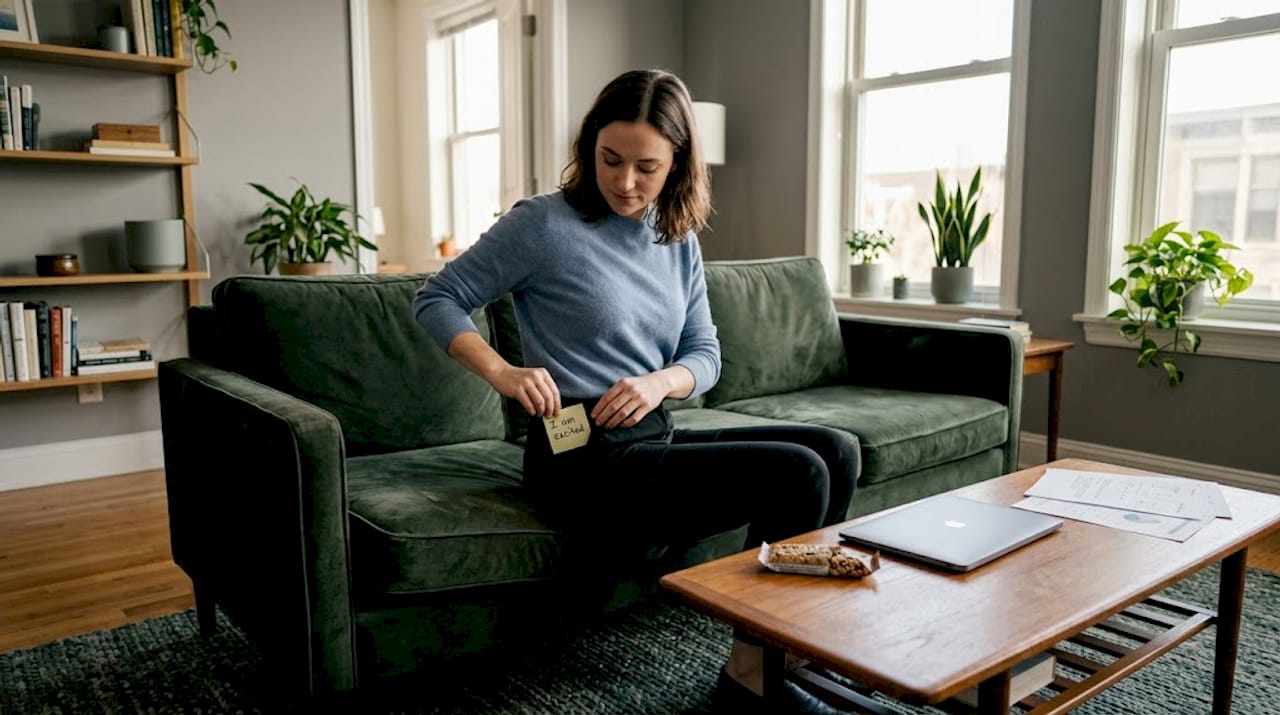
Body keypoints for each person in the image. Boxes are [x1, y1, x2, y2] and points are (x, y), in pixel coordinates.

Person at [413, 68, 858, 706]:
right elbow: (438, 297)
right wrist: (503, 373)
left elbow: (705, 354)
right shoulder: (543, 224)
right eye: (610, 160)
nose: (625, 182)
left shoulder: (675, 238)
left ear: (678, 163)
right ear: (589, 146)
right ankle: (751, 682)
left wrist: (659, 383)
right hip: (573, 451)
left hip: (651, 431)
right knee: (798, 474)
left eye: (646, 167)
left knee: (836, 450)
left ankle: (790, 653)